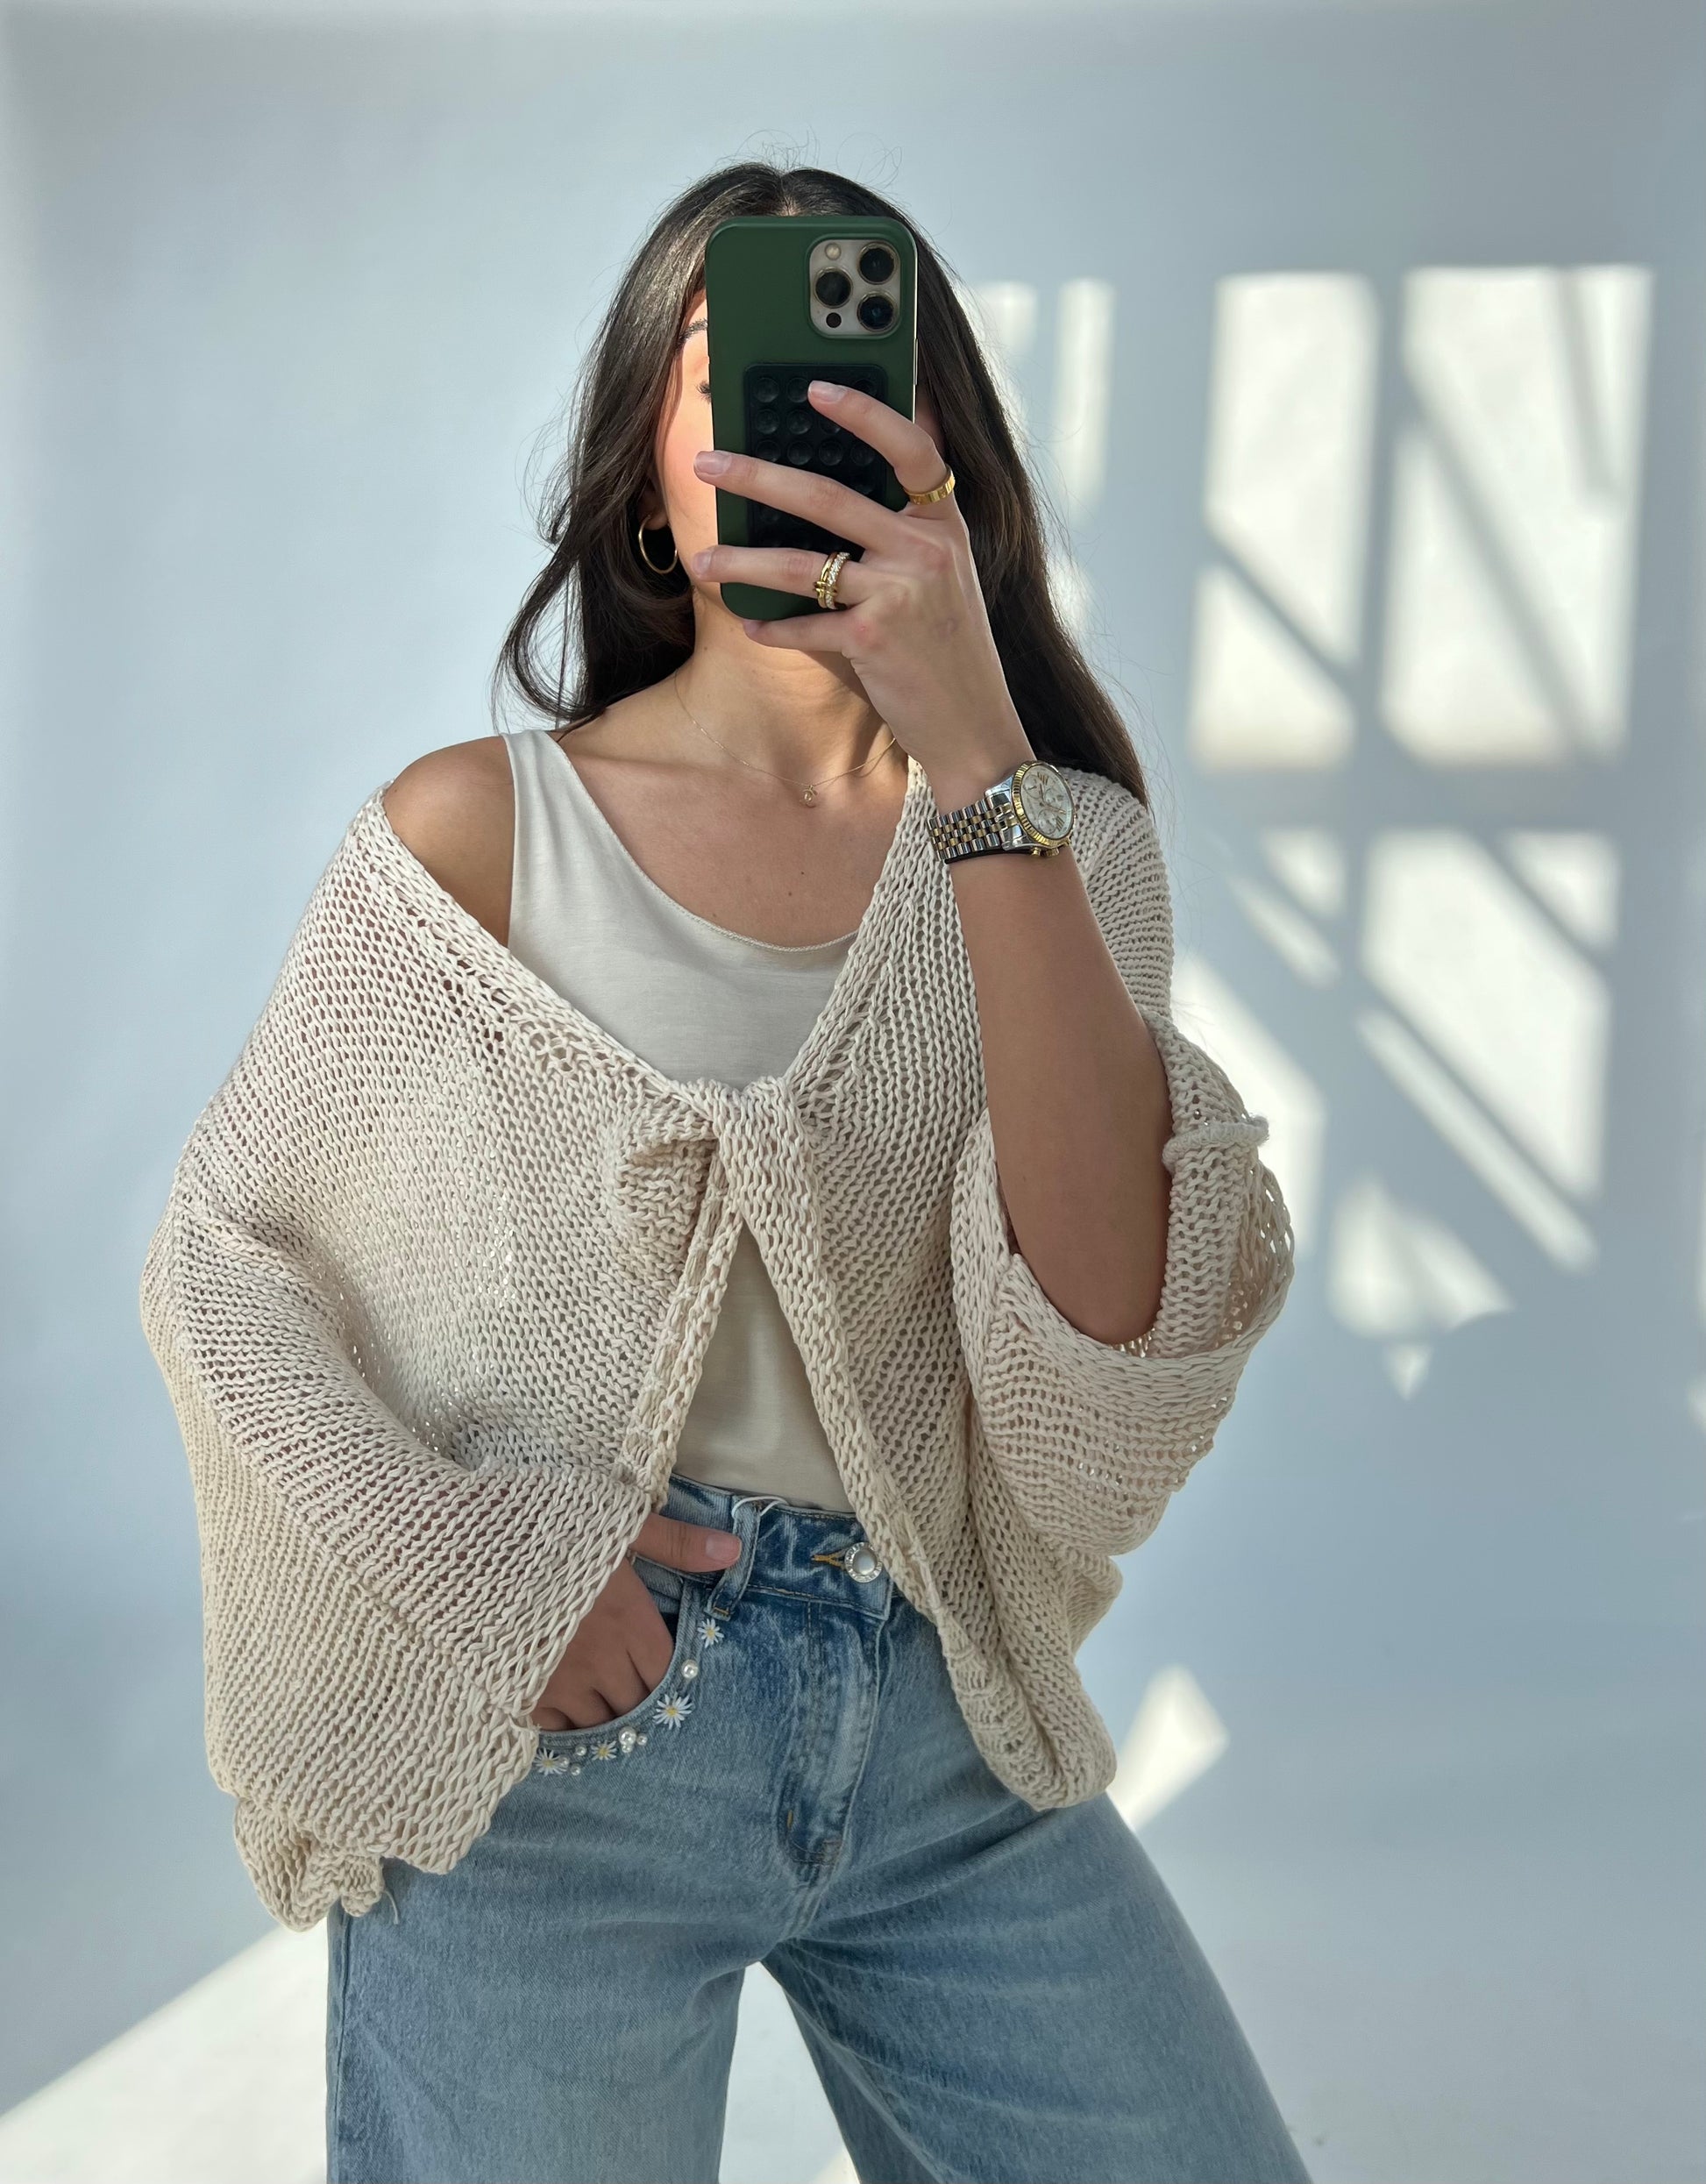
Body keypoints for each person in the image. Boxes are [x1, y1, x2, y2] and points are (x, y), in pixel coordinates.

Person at [140, 160, 1307, 2184]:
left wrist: (977, 756)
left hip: (944, 1731)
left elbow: (1101, 1373)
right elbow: (222, 1263)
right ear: (645, 484)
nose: (796, 419)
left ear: (944, 460)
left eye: (855, 375)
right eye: (732, 378)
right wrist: (489, 1577)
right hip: (553, 1755)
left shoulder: (1063, 849)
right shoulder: (472, 838)